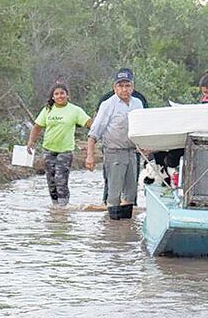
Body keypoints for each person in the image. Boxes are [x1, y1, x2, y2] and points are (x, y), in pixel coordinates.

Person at [87, 69, 145, 220]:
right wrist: (90, 156)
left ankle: (126, 227)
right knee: (114, 192)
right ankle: (112, 228)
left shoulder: (138, 103)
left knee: (131, 192)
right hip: (113, 152)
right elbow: (94, 133)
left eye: (127, 85)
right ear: (115, 88)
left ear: (133, 87)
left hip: (132, 152)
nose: (124, 89)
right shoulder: (108, 104)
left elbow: (142, 129)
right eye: (120, 86)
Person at [26, 83, 91, 206]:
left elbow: (90, 124)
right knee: (51, 182)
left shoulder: (75, 110)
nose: (60, 96)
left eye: (62, 93)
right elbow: (37, 127)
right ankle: (55, 208)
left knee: (61, 180)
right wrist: (31, 142)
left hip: (65, 151)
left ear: (67, 95)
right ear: (52, 97)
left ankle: (63, 209)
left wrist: (92, 141)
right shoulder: (47, 110)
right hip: (48, 150)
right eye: (56, 94)